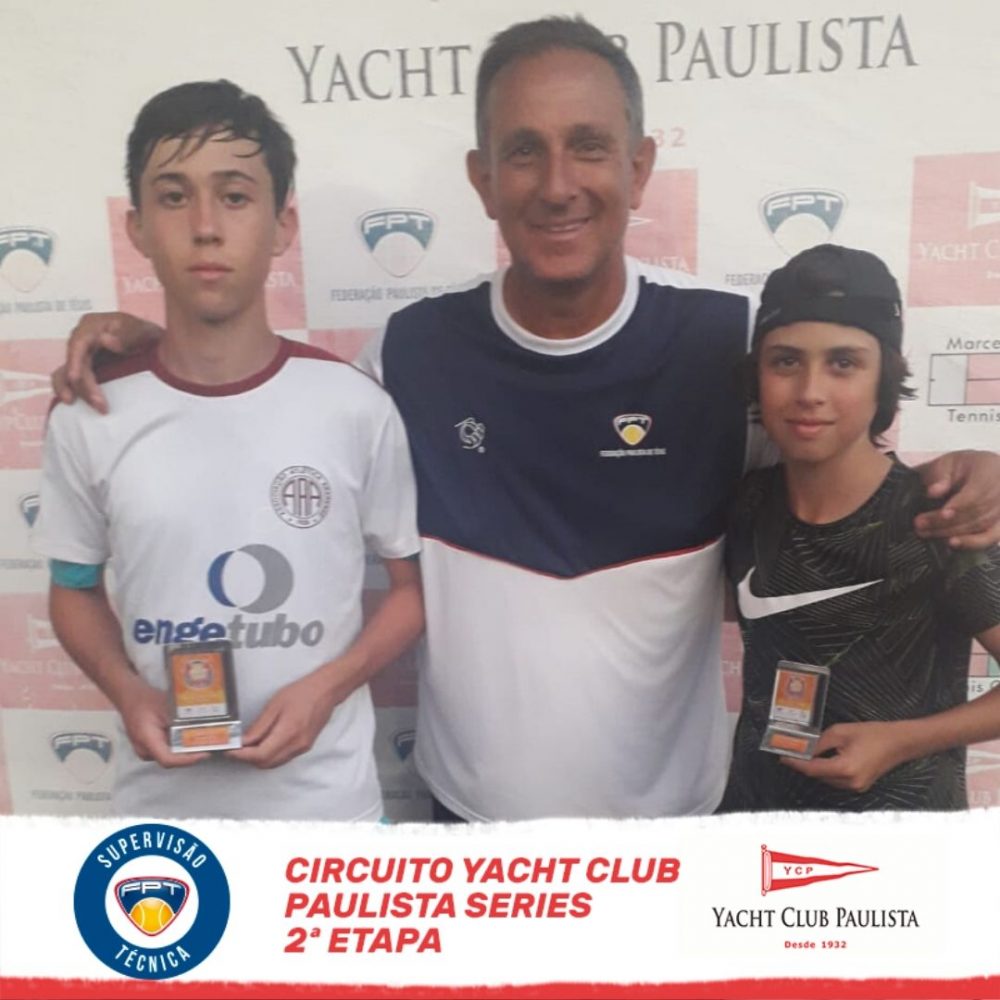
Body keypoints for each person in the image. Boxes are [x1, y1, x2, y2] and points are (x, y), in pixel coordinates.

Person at [52, 19, 1000, 822]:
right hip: (468, 827)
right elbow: (267, 401)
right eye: (522, 150)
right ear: (481, 177)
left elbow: (846, 462)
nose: (556, 184)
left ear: (639, 166)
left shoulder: (729, 341)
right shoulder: (410, 351)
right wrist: (157, 352)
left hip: (678, 831)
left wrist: (970, 469)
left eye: (588, 146)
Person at [33, 80, 423, 820]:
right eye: (173, 197)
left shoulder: (354, 406)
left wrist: (328, 687)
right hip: (164, 828)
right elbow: (73, 586)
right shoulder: (90, 413)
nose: (206, 227)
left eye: (235, 196)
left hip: (329, 820)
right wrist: (127, 691)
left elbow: (409, 592)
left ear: (282, 225)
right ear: (137, 228)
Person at [719, 245, 1000, 811]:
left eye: (843, 363)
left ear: (883, 381)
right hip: (754, 822)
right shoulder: (747, 503)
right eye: (786, 361)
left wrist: (900, 742)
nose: (810, 392)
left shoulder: (939, 519)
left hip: (899, 840)